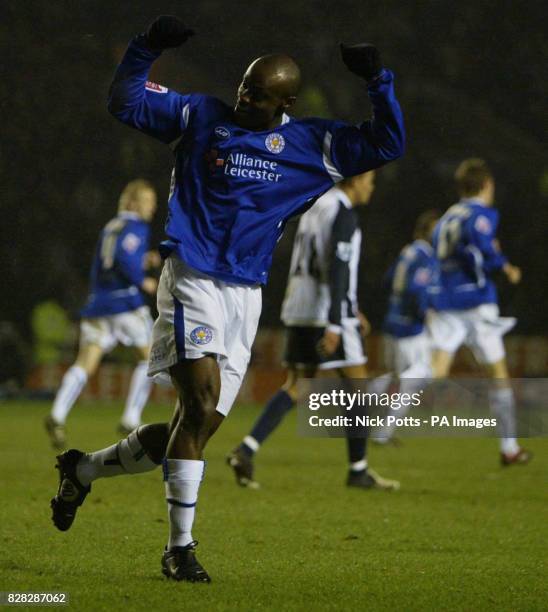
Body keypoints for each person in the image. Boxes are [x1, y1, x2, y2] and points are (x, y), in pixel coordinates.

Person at [50, 15, 405, 584]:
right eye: (242, 86)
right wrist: (148, 47)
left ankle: (82, 470)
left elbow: (389, 141)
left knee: (194, 425)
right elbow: (125, 102)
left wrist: (377, 79)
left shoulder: (311, 145)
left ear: (283, 102)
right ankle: (179, 549)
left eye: (257, 96)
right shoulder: (198, 116)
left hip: (247, 295)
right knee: (200, 403)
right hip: (191, 276)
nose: (243, 99)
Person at [228, 172, 399, 491]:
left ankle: (246, 449)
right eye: (369, 180)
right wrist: (338, 319)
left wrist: (349, 304)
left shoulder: (316, 204)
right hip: (326, 314)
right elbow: (337, 267)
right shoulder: (344, 213)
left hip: (300, 307)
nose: (371, 186)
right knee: (359, 389)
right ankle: (358, 470)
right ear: (355, 178)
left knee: (296, 385)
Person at [429, 158, 531, 466]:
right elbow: (483, 247)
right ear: (486, 185)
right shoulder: (480, 214)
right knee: (498, 376)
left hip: (448, 302)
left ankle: (380, 410)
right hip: (476, 304)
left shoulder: (447, 216)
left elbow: (444, 251)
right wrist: (506, 267)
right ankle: (509, 448)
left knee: (433, 372)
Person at [44, 180, 159, 448]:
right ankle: (131, 418)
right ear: (132, 203)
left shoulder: (112, 226)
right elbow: (123, 257)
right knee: (152, 359)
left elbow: (109, 261)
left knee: (86, 363)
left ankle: (57, 413)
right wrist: (142, 280)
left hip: (99, 303)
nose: (152, 208)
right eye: (148, 201)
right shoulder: (135, 227)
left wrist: (143, 260)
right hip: (125, 305)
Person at [371, 210, 440, 444]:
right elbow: (416, 290)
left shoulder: (407, 252)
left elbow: (388, 281)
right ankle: (381, 432)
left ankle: (362, 404)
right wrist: (424, 313)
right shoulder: (425, 256)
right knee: (418, 377)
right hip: (409, 328)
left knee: (397, 379)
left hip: (392, 322)